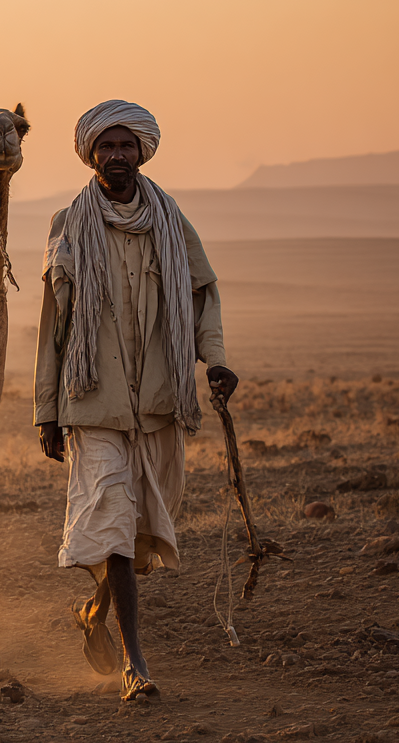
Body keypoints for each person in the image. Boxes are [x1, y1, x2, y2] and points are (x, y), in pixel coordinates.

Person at [33, 100, 239, 702]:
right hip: (92, 402)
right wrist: (47, 410)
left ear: (142, 151)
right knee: (118, 528)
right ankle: (137, 664)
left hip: (156, 403)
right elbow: (54, 324)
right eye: (106, 146)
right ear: (91, 154)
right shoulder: (67, 227)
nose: (116, 156)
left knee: (144, 532)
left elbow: (202, 294)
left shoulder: (172, 224)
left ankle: (94, 614)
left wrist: (216, 359)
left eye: (126, 146)